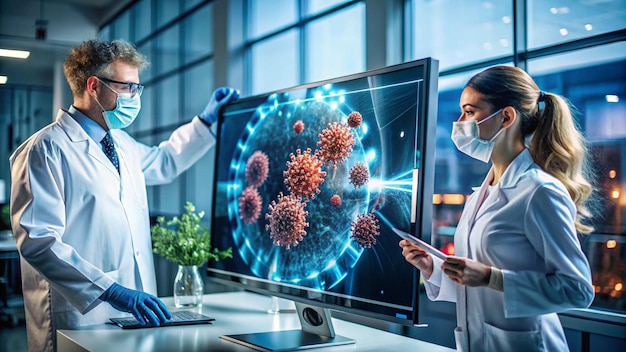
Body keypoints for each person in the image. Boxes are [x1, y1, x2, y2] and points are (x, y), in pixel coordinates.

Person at [9, 39, 239, 352]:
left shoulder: (121, 144)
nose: (136, 97)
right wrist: (111, 290)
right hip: (81, 318)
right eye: (129, 87)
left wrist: (206, 122)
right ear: (94, 86)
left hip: (134, 317)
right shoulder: (45, 149)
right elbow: (38, 241)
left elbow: (164, 162)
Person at [400, 65, 595, 351]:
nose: (460, 122)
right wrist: (434, 269)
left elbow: (578, 290)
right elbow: (481, 290)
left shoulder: (540, 191)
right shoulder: (484, 191)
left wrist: (492, 277)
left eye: (469, 112)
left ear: (506, 117)